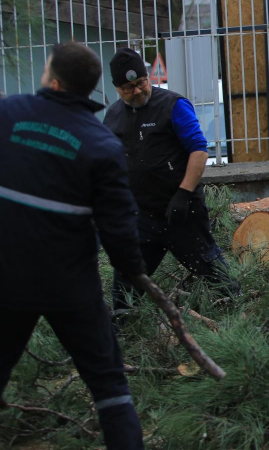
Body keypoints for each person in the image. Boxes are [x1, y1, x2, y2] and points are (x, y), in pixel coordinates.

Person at [0, 42, 145, 449]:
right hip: (71, 287)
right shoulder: (101, 143)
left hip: (7, 279)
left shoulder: (8, 115)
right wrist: (134, 269)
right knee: (110, 387)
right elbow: (119, 226)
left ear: (52, 78)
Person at [103, 48, 239, 317]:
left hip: (181, 212)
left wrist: (183, 193)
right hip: (142, 218)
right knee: (127, 283)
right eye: (129, 88)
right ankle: (121, 335)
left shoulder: (172, 105)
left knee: (214, 273)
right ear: (117, 88)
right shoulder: (113, 118)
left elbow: (199, 150)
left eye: (141, 83)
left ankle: (241, 315)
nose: (138, 91)